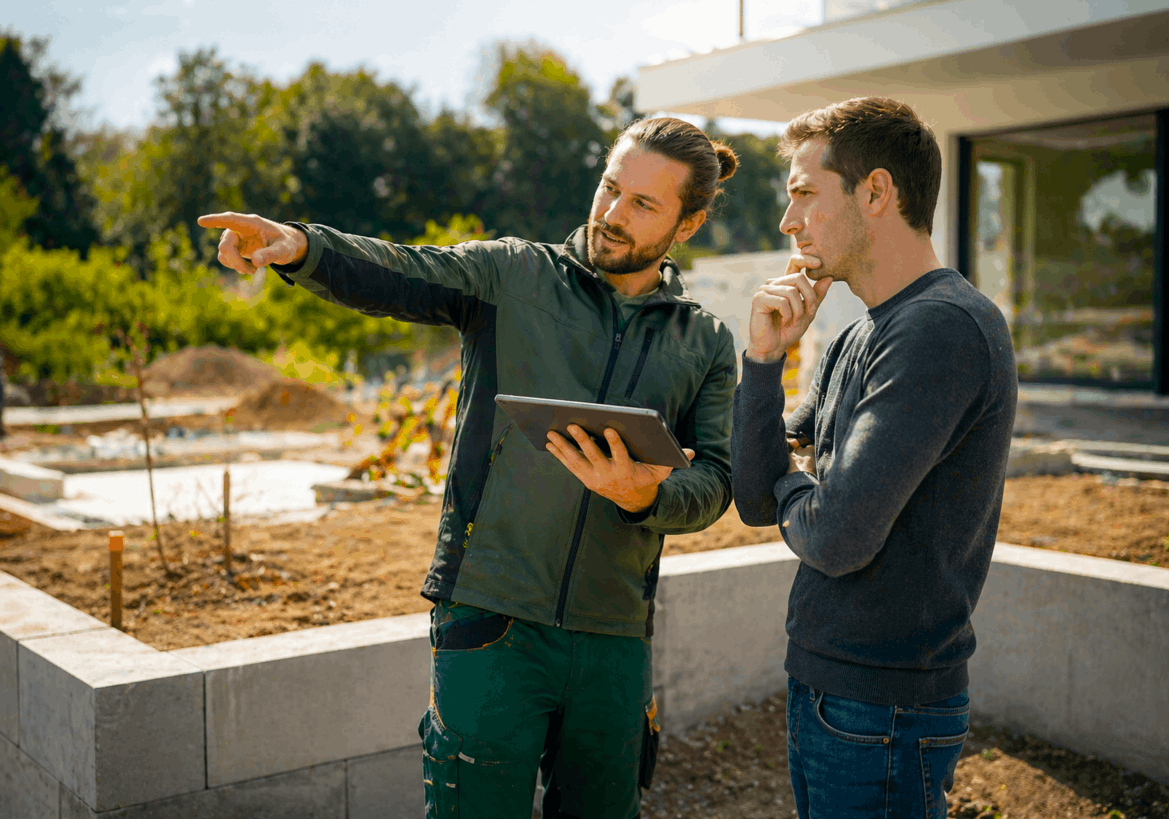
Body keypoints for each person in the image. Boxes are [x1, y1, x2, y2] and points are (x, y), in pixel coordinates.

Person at [199, 116, 740, 819]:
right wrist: (302, 246)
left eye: (642, 204)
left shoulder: (703, 340)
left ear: (687, 224)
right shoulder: (512, 274)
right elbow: (401, 270)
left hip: (613, 641)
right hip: (491, 622)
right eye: (610, 188)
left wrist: (645, 495)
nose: (611, 214)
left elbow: (715, 480)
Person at [729, 97, 1017, 819]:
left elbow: (835, 535)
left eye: (804, 193)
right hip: (830, 687)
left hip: (884, 709)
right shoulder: (860, 335)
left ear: (877, 192)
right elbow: (757, 498)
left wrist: (797, 482)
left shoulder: (941, 329)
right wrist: (763, 361)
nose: (788, 221)